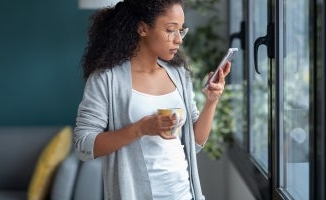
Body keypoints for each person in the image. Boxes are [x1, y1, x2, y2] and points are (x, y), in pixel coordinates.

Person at [73, 0, 231, 199]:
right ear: (142, 28)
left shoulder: (178, 74)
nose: (178, 40)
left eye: (181, 31)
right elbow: (83, 145)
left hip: (183, 194)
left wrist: (212, 100)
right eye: (170, 30)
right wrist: (141, 129)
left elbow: (195, 143)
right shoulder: (107, 79)